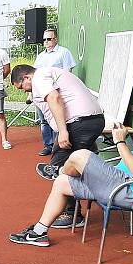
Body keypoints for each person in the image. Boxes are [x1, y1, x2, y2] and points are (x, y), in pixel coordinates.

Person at [9, 88, 133, 247]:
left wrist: (120, 141)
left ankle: (58, 170)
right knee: (62, 183)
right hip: (121, 183)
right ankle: (39, 233)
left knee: (81, 155)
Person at [11, 64, 105, 227]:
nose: (25, 90)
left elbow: (54, 98)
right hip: (90, 121)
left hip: (80, 123)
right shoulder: (50, 73)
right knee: (73, 165)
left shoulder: (39, 77)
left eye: (23, 87)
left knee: (58, 167)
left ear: (27, 77)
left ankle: (72, 214)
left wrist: (62, 131)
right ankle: (85, 201)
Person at [34, 29, 77, 156]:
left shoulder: (64, 52)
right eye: (44, 39)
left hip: (58, 93)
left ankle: (59, 147)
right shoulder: (41, 56)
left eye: (49, 39)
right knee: (44, 120)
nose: (46, 42)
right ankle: (48, 145)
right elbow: (36, 74)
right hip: (43, 93)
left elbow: (67, 73)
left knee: (59, 120)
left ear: (55, 39)